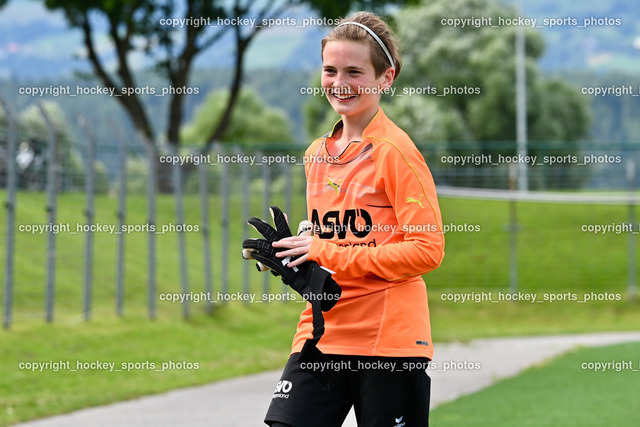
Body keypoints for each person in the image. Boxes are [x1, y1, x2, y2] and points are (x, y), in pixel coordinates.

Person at [264, 11, 445, 427]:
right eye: (330, 70)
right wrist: (299, 257)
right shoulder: (316, 154)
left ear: (386, 78)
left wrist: (327, 251)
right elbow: (336, 241)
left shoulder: (395, 152)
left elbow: (427, 249)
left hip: (389, 341)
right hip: (322, 332)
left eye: (354, 72)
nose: (339, 82)